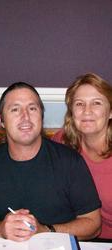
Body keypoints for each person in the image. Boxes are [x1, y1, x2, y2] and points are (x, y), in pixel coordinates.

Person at [0, 82, 101, 242]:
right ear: (1, 120)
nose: (25, 116)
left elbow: (93, 224)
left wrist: (47, 231)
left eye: (32, 108)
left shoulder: (69, 161)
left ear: (41, 116)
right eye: (15, 109)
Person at [52, 73, 112, 240]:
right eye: (79, 104)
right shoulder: (61, 141)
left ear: (110, 112)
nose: (87, 111)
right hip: (74, 236)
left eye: (97, 103)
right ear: (72, 112)